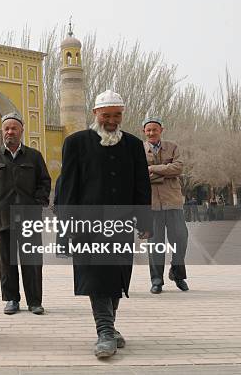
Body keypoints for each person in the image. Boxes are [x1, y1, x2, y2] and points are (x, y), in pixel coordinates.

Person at [55, 90, 152, 358]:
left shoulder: (133, 145)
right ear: (96, 114)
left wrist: (144, 221)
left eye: (116, 115)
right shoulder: (76, 143)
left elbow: (141, 185)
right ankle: (105, 332)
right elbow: (68, 187)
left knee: (118, 276)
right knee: (96, 277)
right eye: (106, 115)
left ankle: (109, 325)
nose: (111, 120)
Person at [0, 112, 51, 315]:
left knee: (32, 261)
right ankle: (11, 299)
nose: (10, 132)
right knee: (6, 260)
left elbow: (44, 181)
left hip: (29, 217)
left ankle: (34, 301)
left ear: (22, 130)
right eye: (6, 128)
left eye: (14, 128)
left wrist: (38, 202)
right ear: (2, 131)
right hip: (3, 216)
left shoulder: (34, 156)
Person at [143, 117, 189, 294]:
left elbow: (178, 168)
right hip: (152, 204)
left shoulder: (173, 147)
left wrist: (153, 169)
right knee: (155, 244)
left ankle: (177, 274)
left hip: (173, 202)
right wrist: (165, 170)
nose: (152, 133)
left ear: (162, 130)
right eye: (148, 130)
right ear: (144, 132)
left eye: (155, 129)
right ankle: (157, 280)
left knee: (180, 239)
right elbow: (139, 174)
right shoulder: (140, 150)